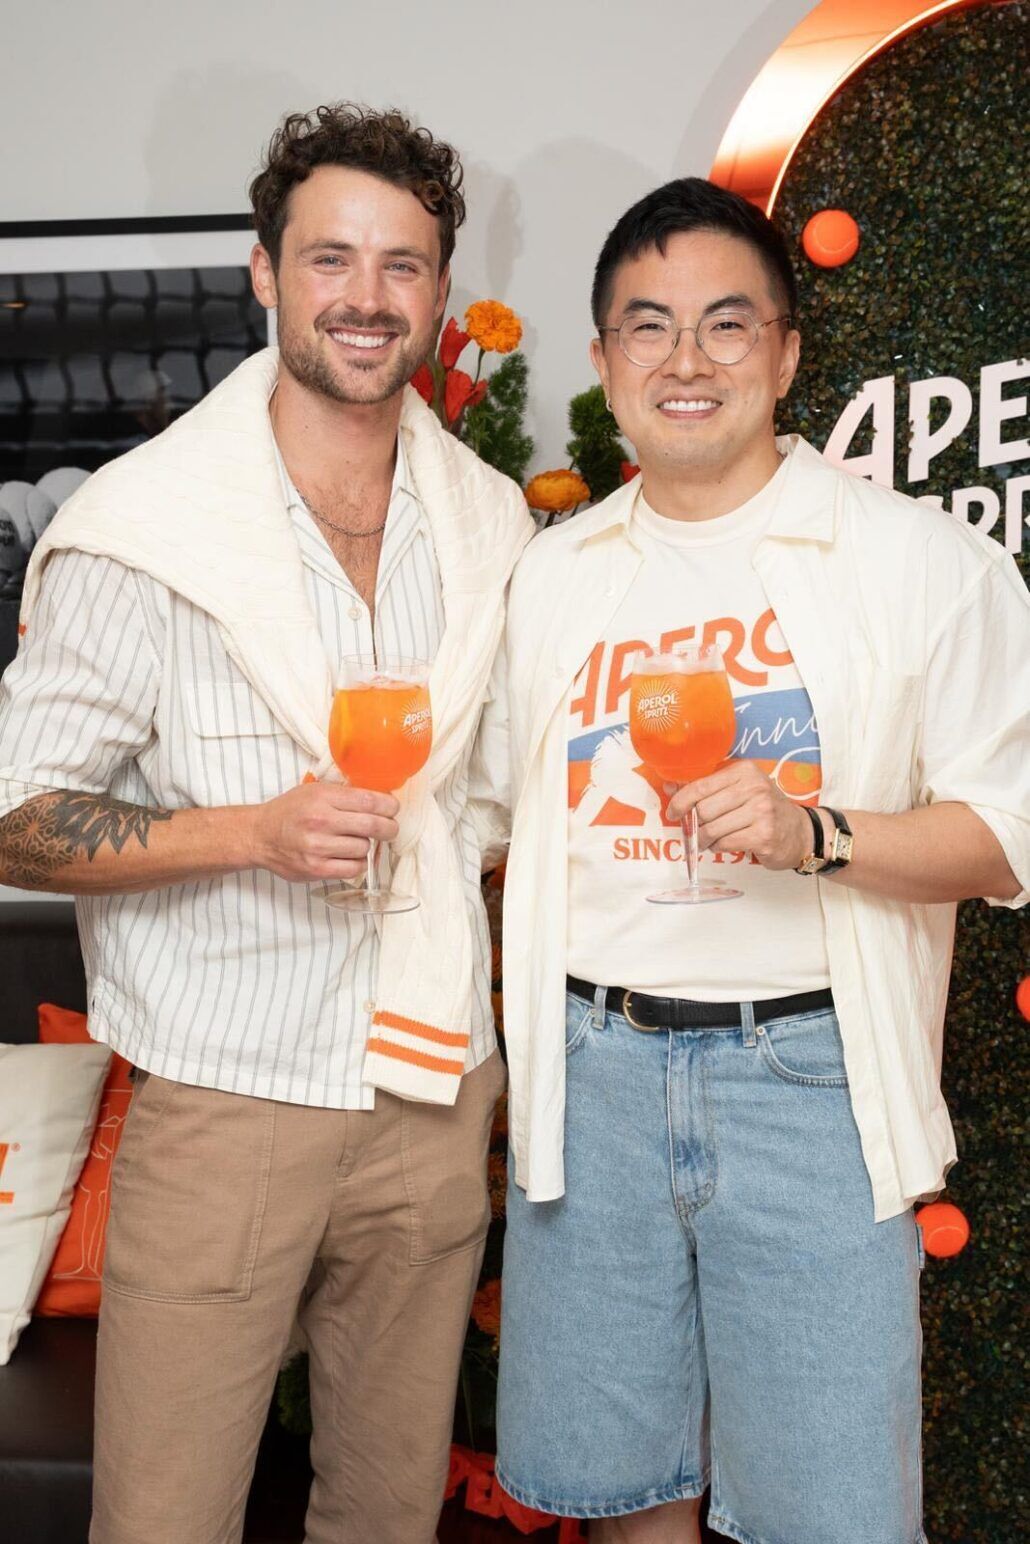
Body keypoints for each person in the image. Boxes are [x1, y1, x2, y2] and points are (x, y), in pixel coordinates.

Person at [0, 104, 532, 1544]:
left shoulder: (489, 523)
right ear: (265, 273)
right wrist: (252, 833)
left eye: (403, 264)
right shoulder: (143, 533)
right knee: (165, 1521)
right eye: (330, 259)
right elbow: (16, 818)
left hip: (432, 1090)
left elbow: (495, 802)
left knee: (386, 1515)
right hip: (227, 1100)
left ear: (439, 288)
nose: (367, 296)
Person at [485, 177, 1029, 1543]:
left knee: (832, 1514)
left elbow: (1006, 830)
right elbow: (496, 819)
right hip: (589, 1075)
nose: (687, 360)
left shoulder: (921, 564)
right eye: (649, 326)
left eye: (726, 325)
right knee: (628, 1496)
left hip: (810, 1079)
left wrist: (814, 834)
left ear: (785, 354)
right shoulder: (553, 574)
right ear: (604, 357)